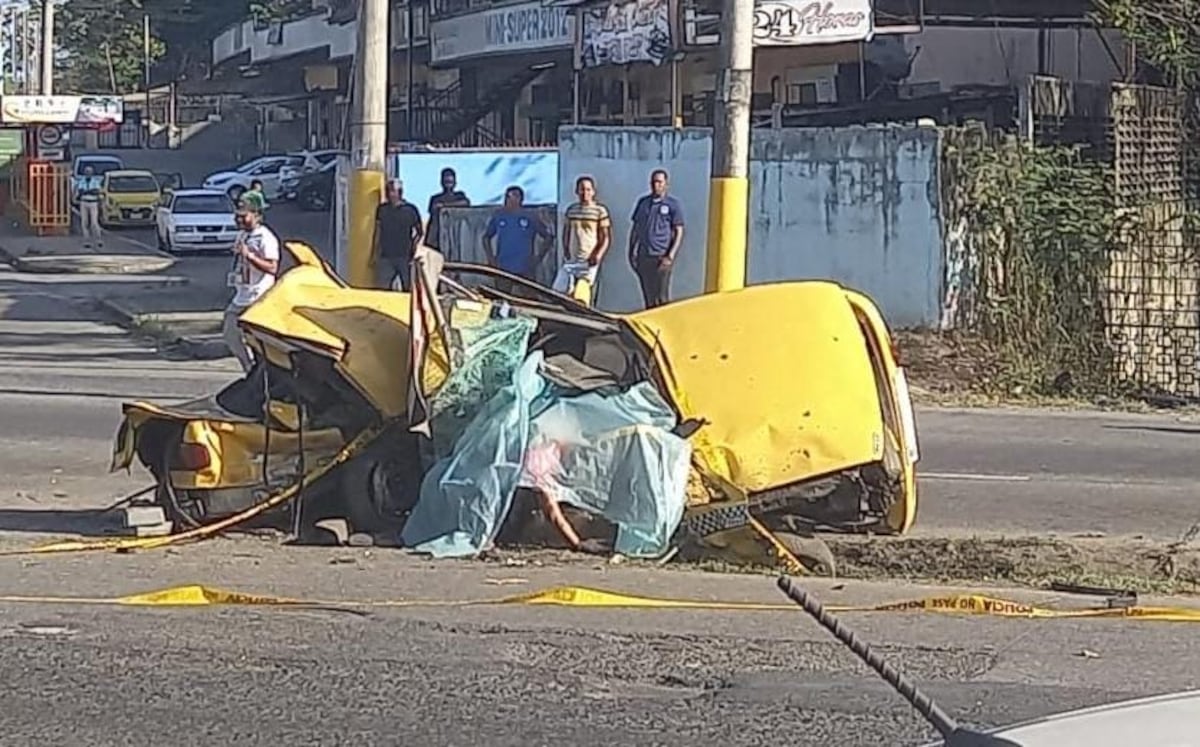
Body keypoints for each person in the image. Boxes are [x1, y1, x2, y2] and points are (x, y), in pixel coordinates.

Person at [222, 194, 281, 373]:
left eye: (244, 216)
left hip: (259, 297)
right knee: (230, 333)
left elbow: (272, 267)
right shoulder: (241, 235)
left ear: (257, 215)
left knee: (258, 341)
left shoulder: (266, 237)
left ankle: (262, 372)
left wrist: (250, 256)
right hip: (242, 295)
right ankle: (249, 369)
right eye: (237, 215)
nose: (239, 219)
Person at [629, 168, 684, 309]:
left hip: (661, 256)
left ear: (666, 184)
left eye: (659, 182)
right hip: (644, 256)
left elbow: (678, 231)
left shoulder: (672, 204)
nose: (656, 185)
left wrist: (670, 256)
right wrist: (631, 251)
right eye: (654, 182)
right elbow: (635, 228)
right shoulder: (643, 203)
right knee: (648, 296)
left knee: (662, 297)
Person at [482, 186, 554, 292]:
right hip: (503, 266)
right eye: (507, 197)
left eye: (511, 197)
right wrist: (491, 258)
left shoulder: (530, 216)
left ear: (520, 199)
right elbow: (486, 237)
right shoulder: (499, 216)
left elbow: (548, 237)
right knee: (502, 297)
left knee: (529, 298)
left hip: (525, 266)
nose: (508, 200)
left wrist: (538, 258)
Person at [554, 176, 611, 305]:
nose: (585, 193)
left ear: (593, 191)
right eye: (582, 190)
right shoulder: (571, 210)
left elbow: (605, 237)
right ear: (576, 191)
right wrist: (566, 250)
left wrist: (598, 255)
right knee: (559, 290)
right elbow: (566, 232)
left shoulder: (599, 211)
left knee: (582, 294)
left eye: (588, 189)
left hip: (589, 259)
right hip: (572, 259)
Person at [373, 179, 423, 291]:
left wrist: (414, 247)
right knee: (382, 289)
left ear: (400, 192)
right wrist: (374, 253)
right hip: (386, 256)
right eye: (388, 190)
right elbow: (377, 231)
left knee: (408, 289)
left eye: (392, 191)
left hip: (405, 256)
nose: (389, 194)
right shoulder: (382, 209)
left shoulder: (410, 210)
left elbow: (420, 232)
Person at [425, 168, 469, 251]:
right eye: (446, 182)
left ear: (455, 182)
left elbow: (466, 203)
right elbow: (433, 212)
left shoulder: (460, 196)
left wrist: (444, 206)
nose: (448, 184)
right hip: (439, 237)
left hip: (456, 236)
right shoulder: (435, 198)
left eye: (450, 182)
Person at [75, 165, 103, 249]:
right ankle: (86, 241)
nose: (88, 173)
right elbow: (80, 192)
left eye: (89, 172)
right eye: (86, 172)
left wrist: (87, 192)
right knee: (84, 222)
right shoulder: (81, 181)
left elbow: (96, 191)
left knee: (94, 223)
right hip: (84, 202)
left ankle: (98, 239)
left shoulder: (95, 181)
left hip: (93, 203)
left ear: (92, 173)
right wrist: (89, 191)